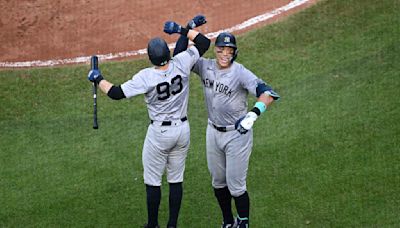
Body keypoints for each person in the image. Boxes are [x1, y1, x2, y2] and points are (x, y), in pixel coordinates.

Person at [87, 17, 210, 228]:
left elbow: (116, 93)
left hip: (159, 135)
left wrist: (97, 78)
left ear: (150, 58)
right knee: (175, 180)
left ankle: (153, 225)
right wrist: (185, 29)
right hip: (182, 131)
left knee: (153, 182)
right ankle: (172, 225)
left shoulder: (146, 77)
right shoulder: (182, 63)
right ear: (168, 54)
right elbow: (203, 44)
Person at [169, 21, 280, 228]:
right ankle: (228, 221)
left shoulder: (240, 72)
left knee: (236, 186)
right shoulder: (206, 66)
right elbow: (180, 57)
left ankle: (244, 223)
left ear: (234, 52)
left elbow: (268, 93)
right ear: (216, 49)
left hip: (236, 135)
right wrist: (186, 28)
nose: (224, 54)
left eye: (229, 50)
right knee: (218, 182)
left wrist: (253, 114)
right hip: (213, 132)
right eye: (221, 49)